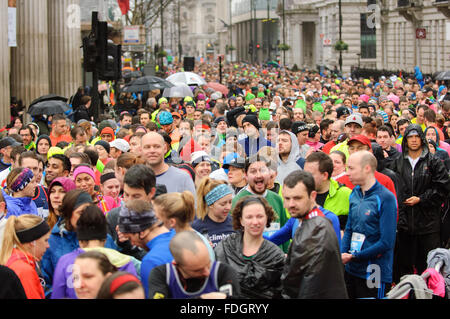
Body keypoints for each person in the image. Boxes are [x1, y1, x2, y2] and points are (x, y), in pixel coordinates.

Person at [388, 124, 450, 282]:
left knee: (429, 268)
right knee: (405, 268)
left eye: (417, 137)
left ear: (422, 139)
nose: (414, 140)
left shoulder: (434, 161)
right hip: (405, 224)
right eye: (410, 137)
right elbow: (392, 186)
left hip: (429, 224)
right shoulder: (397, 162)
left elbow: (443, 188)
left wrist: (421, 198)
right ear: (405, 140)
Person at [280, 170, 348, 299]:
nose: (291, 204)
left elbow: (310, 284)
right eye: (287, 198)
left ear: (312, 196)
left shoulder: (317, 229)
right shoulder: (308, 222)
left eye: (297, 198)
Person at [51, 204, 140, 299]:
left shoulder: (65, 261)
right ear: (105, 239)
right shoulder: (125, 261)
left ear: (79, 241)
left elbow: (57, 295)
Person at [341, 151, 397, 299]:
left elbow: (387, 242)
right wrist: (343, 253)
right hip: (352, 268)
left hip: (374, 270)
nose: (347, 173)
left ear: (366, 168)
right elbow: (349, 228)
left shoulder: (386, 198)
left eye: (351, 168)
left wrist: (354, 256)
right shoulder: (355, 193)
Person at [40, 189, 118, 292]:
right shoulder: (52, 242)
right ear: (68, 214)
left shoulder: (105, 239)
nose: (86, 216)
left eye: (89, 210)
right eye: (81, 212)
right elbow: (46, 283)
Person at [215, 196, 285, 299]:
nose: (255, 222)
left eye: (260, 216)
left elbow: (283, 293)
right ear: (241, 220)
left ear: (267, 218)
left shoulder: (276, 256)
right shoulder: (226, 247)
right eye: (249, 217)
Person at [147, 231, 241, 299]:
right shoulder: (162, 275)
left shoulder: (223, 272)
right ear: (176, 265)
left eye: (208, 264)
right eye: (198, 270)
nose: (207, 272)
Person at [118, 199, 175, 298]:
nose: (132, 243)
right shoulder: (186, 237)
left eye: (130, 238)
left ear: (142, 232)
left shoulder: (151, 261)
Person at [231, 154, 289, 252]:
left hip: (277, 262)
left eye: (262, 170)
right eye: (253, 171)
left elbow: (285, 233)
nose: (258, 175)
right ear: (245, 175)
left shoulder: (277, 199)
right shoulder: (237, 202)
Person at [153, 191, 215, 262]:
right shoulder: (184, 237)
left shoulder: (194, 244)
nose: (154, 222)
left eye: (157, 218)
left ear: (172, 222)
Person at [0, 215, 51, 299]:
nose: (48, 246)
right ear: (32, 241)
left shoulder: (15, 259)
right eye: (45, 240)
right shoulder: (24, 270)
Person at [304, 151, 350, 232]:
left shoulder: (346, 194)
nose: (305, 178)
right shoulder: (301, 194)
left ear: (325, 175)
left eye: (310, 174)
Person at [192, 178, 235, 248]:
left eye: (230, 202)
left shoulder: (235, 223)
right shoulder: (197, 227)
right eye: (223, 204)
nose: (228, 207)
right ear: (211, 205)